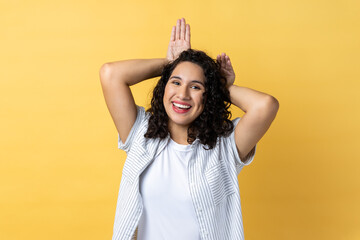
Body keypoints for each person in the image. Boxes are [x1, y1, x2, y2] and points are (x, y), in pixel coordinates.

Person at [100, 18, 279, 240]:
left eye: (195, 86)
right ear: (164, 87)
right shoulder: (140, 133)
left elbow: (265, 106)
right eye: (175, 82)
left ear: (208, 95)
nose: (183, 94)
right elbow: (110, 74)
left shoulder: (224, 147)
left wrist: (221, 86)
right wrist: (169, 63)